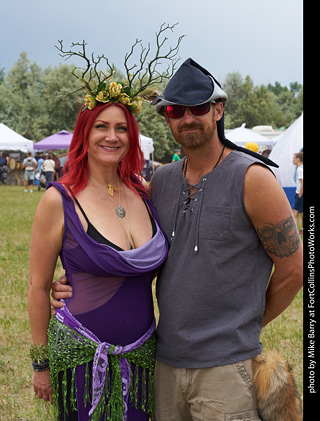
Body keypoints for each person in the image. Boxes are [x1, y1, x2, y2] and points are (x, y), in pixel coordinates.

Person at [52, 58, 303, 420]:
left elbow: (294, 269)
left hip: (227, 370)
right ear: (166, 117)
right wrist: (79, 283)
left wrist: (245, 324)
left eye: (198, 107)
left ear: (218, 110)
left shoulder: (253, 178)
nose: (187, 118)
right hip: (164, 364)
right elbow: (140, 259)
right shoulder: (162, 183)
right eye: (175, 109)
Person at [28, 91, 168, 417]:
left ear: (131, 136)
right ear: (84, 133)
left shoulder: (144, 193)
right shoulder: (58, 200)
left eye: (121, 128)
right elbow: (37, 286)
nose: (111, 136)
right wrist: (40, 364)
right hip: (80, 355)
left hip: (142, 355)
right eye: (101, 126)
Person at [292, 152, 303, 232]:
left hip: (300, 193)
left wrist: (300, 194)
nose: (293, 160)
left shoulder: (299, 169)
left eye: (294, 158)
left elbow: (302, 183)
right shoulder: (301, 168)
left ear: (298, 159)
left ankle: (295, 230)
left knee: (295, 212)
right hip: (299, 193)